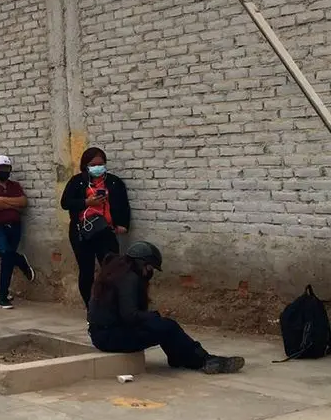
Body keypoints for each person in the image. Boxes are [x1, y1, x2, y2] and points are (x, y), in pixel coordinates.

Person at [88, 241, 244, 374]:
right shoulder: (130, 279)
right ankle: (204, 360)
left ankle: (180, 358)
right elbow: (130, 315)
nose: (150, 273)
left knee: (162, 326)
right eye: (150, 268)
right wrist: (155, 315)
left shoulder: (116, 273)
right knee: (167, 326)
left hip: (103, 334)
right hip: (110, 337)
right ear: (143, 264)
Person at [60, 147, 132, 308]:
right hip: (83, 232)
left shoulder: (113, 182)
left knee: (112, 270)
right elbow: (65, 203)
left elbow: (123, 205)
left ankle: (113, 305)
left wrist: (123, 225)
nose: (98, 167)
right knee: (87, 271)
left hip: (106, 231)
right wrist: (86, 202)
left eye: (101, 164)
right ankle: (91, 307)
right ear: (86, 165)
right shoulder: (77, 181)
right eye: (93, 164)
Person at [0, 155, 36, 309]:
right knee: (6, 253)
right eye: (1, 169)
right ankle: (20, 262)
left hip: (15, 226)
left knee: (7, 261)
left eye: (7, 169)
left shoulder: (15, 185)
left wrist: (2, 200)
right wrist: (12, 203)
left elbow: (23, 202)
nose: (4, 171)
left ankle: (2, 294)